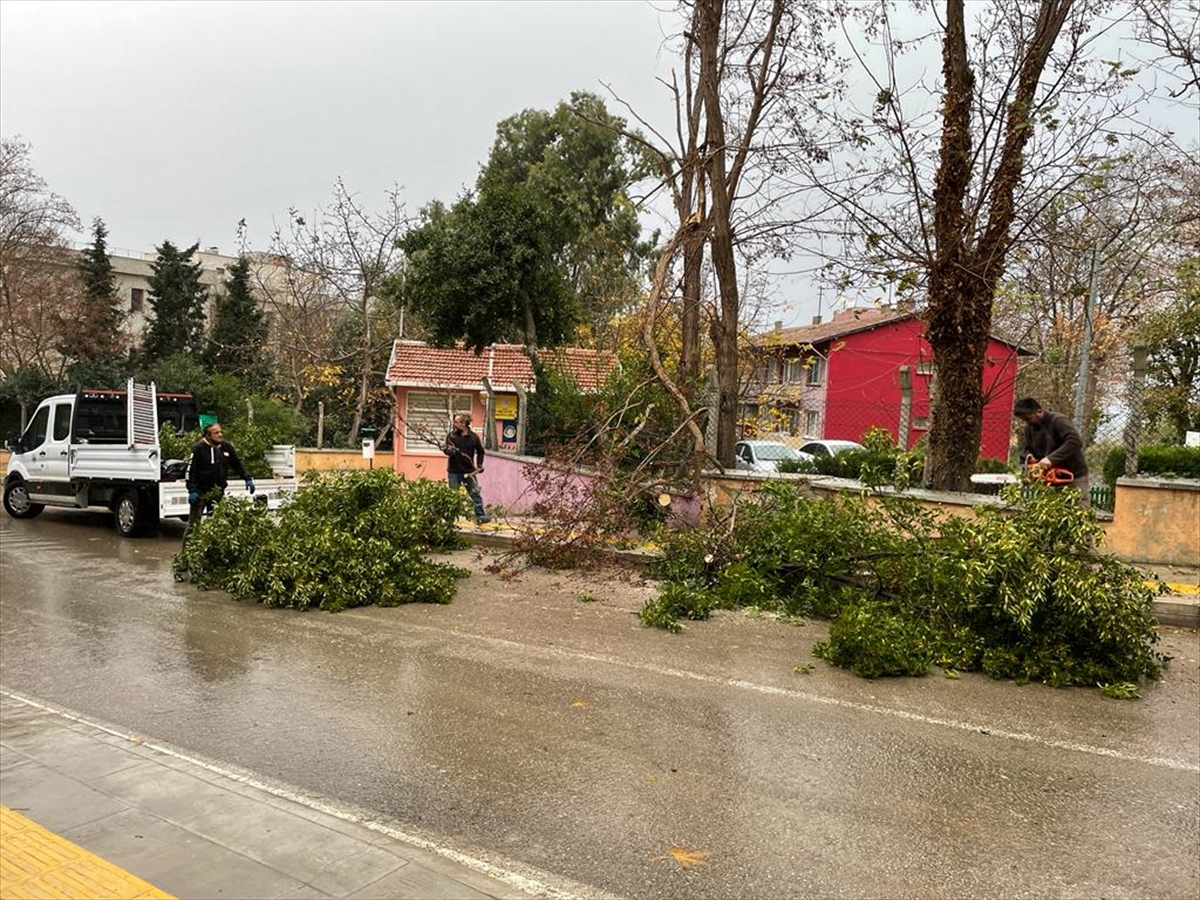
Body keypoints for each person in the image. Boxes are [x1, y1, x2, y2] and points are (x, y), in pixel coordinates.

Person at [1013, 397, 1089, 508]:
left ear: (1039, 411)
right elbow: (1027, 449)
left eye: (1029, 418)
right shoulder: (1029, 428)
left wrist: (1051, 459)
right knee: (1050, 512)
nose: (1028, 422)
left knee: (1079, 510)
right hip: (1050, 478)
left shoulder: (1058, 421)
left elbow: (1074, 441)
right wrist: (1030, 458)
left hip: (1073, 475)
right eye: (1024, 420)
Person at [183, 422, 254, 541]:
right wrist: (192, 490)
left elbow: (237, 464)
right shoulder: (198, 448)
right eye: (216, 433)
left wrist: (247, 478)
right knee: (194, 526)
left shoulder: (226, 447)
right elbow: (191, 471)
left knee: (215, 525)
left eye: (221, 432)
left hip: (217, 492)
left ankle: (211, 552)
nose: (220, 435)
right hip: (200, 493)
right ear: (208, 435)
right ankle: (186, 554)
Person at [444, 413, 491, 524]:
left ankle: (480, 516)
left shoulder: (473, 437)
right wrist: (450, 451)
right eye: (455, 422)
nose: (455, 424)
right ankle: (450, 519)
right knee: (452, 496)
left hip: (469, 472)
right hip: (454, 471)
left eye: (457, 422)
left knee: (475, 494)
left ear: (464, 423)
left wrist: (479, 465)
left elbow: (480, 451)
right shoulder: (452, 436)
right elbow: (445, 449)